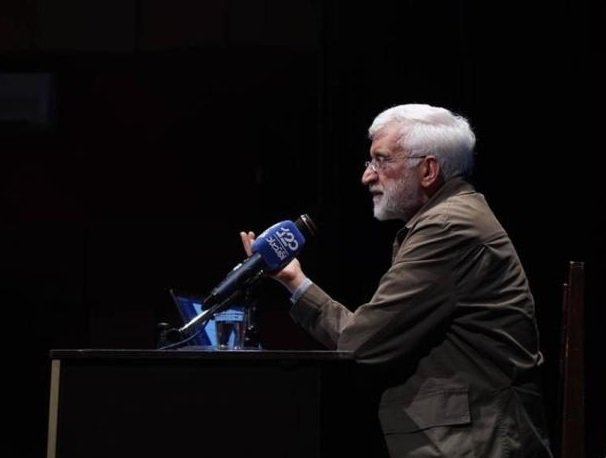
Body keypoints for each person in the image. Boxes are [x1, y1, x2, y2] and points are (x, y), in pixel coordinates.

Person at [241, 103, 553, 457]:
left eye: (381, 160)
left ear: (428, 170)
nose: (367, 176)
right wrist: (292, 279)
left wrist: (297, 285)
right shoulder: (450, 217)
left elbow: (360, 343)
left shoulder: (448, 227)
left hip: (475, 444)